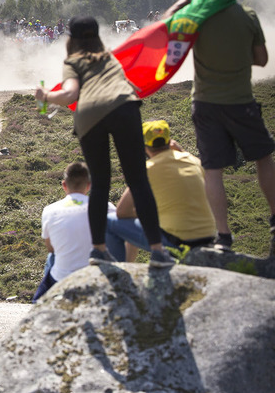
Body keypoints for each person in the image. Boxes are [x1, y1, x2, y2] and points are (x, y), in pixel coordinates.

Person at [35, 16, 175, 268]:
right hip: (124, 106)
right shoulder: (109, 57)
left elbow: (70, 93)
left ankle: (98, 250)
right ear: (98, 35)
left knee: (99, 184)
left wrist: (45, 96)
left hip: (90, 114)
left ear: (72, 39)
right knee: (138, 181)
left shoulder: (73, 61)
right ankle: (158, 250)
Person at [162, 0, 273, 252]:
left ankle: (223, 237)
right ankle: (274, 222)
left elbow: (163, 26)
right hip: (241, 101)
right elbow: (262, 59)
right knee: (263, 158)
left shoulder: (197, 14)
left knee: (213, 170)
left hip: (206, 104)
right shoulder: (247, 15)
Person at [105, 120, 216, 261]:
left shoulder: (147, 169)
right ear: (169, 140)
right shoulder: (194, 161)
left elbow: (122, 212)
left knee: (107, 222)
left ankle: (119, 273)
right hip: (208, 238)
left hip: (177, 242)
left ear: (144, 145)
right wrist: (182, 151)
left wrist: (153, 213)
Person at [32, 162, 113, 302]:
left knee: (52, 257)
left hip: (61, 279)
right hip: (95, 276)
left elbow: (50, 247)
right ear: (89, 185)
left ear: (64, 185)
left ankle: (41, 303)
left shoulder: (50, 210)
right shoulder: (107, 207)